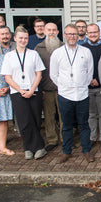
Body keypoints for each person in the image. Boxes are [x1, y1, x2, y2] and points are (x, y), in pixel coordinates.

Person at [50, 23, 95, 163]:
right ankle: (66, 152)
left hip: (82, 94)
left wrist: (81, 85)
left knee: (84, 124)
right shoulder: (57, 53)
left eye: (74, 34)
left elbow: (89, 72)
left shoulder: (85, 51)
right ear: (64, 35)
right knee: (66, 125)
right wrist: (65, 86)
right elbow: (53, 75)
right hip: (65, 95)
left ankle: (86, 151)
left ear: (78, 35)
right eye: (69, 34)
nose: (72, 37)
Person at [1, 26, 47, 160]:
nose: (23, 40)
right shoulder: (9, 56)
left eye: (25, 38)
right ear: (14, 38)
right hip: (17, 92)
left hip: (33, 91)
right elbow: (7, 77)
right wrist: (21, 90)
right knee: (24, 121)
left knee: (36, 119)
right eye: (20, 38)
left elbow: (39, 74)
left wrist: (31, 90)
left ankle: (38, 148)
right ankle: (29, 148)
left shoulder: (34, 54)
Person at [35, 22, 63, 152]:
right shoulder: (38, 49)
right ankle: (52, 140)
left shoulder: (63, 46)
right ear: (45, 31)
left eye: (54, 30)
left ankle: (65, 139)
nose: (51, 32)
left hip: (62, 88)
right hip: (46, 88)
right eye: (49, 30)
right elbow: (35, 71)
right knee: (49, 116)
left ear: (58, 32)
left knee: (63, 115)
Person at [82, 23, 101, 147]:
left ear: (99, 33)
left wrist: (98, 79)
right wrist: (90, 79)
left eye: (95, 32)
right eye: (90, 32)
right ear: (87, 34)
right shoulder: (82, 48)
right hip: (87, 87)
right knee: (91, 115)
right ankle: (92, 137)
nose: (93, 34)